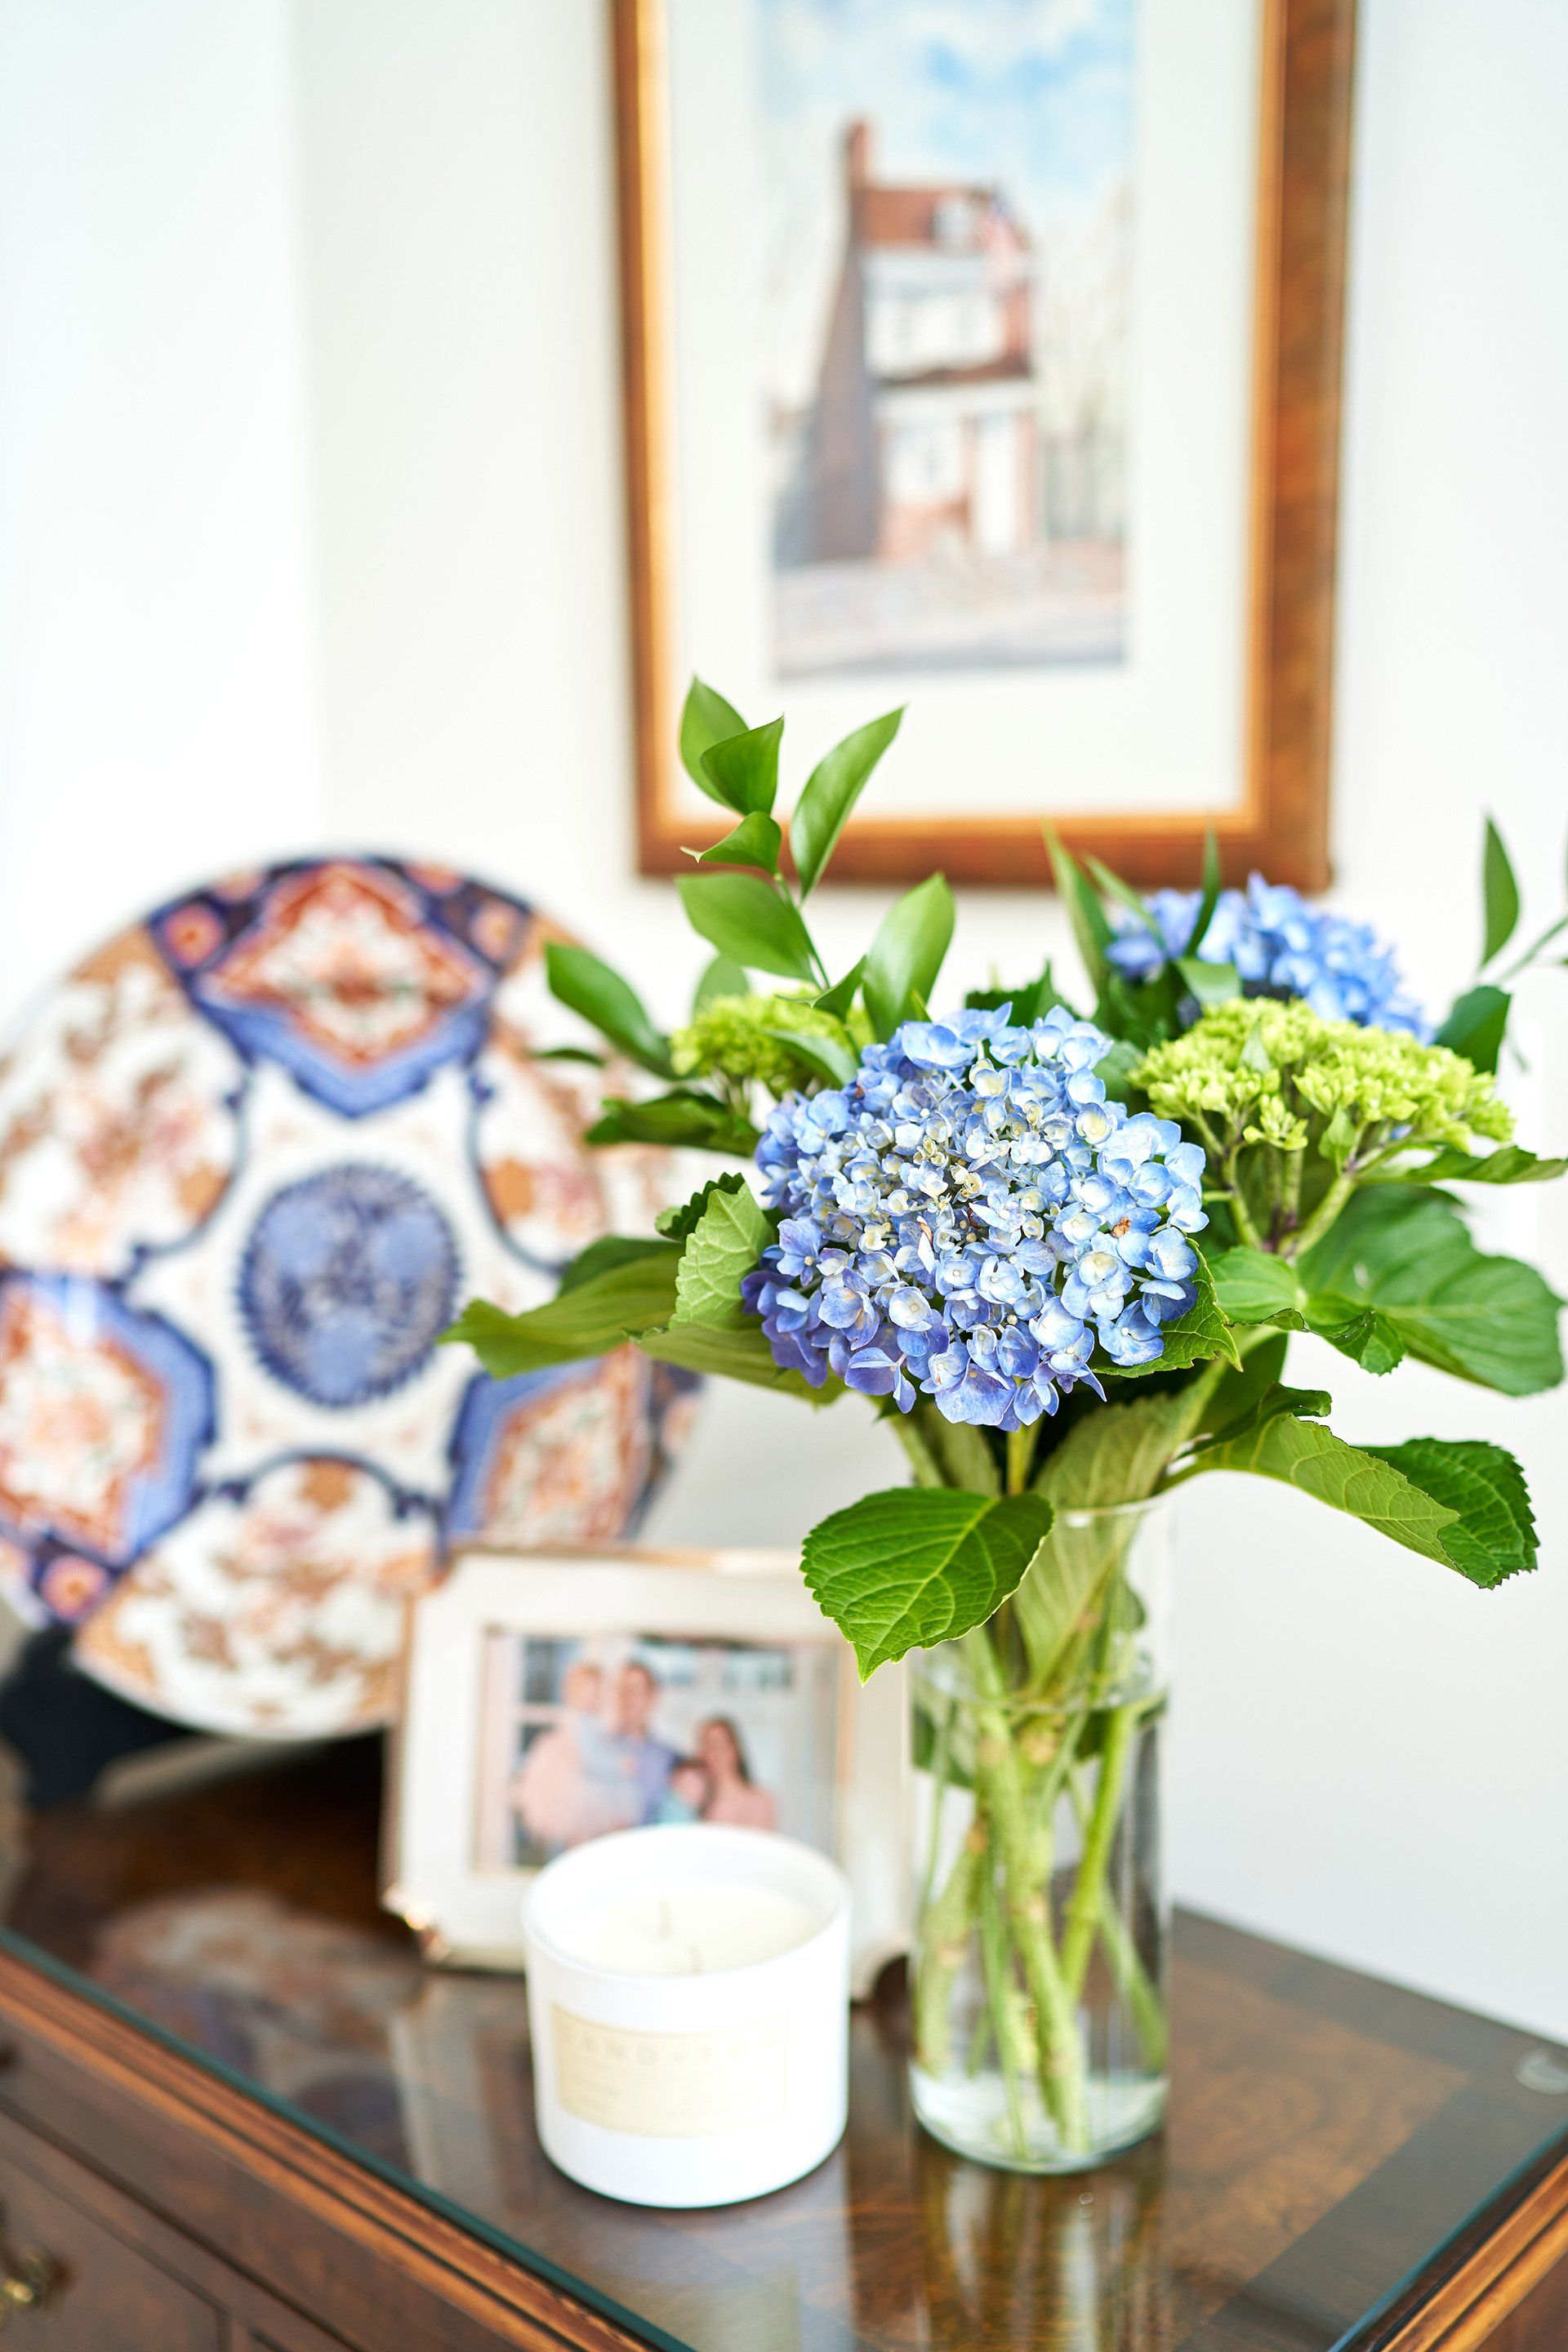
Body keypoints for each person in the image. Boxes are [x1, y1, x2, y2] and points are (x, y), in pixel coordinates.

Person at [508, 1659, 632, 1853]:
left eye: (599, 1695)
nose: (595, 1700)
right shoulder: (578, 1724)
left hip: (590, 1785)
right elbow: (587, 1760)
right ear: (572, 1694)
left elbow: (597, 1750)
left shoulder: (591, 1722)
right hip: (579, 1786)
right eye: (589, 1694)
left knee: (592, 1835)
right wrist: (617, 1765)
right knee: (581, 1833)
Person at [608, 1658, 679, 1825]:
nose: (627, 1697)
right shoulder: (595, 1752)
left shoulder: (671, 1759)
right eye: (622, 1689)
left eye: (636, 1690)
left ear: (653, 1697)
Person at [696, 1715, 776, 1830]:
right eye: (706, 1746)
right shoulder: (698, 1801)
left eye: (718, 1745)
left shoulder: (759, 1800)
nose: (712, 1754)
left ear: (735, 1749)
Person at [651, 1757, 710, 1825]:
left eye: (698, 1786)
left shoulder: (691, 1811)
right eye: (686, 1783)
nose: (690, 1790)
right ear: (673, 1780)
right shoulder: (672, 1808)